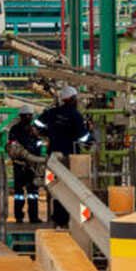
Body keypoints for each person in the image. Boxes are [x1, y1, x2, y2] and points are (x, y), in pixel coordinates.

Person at [36, 85, 90, 229]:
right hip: (70, 157)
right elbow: (83, 137)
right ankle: (68, 219)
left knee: (55, 187)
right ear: (72, 99)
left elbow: (36, 123)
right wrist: (90, 137)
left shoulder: (52, 112)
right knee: (71, 187)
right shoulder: (76, 115)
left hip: (53, 156)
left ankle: (57, 219)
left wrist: (46, 132)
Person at [5, 108, 44, 223]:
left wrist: (36, 158)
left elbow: (39, 144)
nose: (28, 118)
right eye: (25, 116)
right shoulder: (15, 130)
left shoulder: (34, 131)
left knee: (33, 192)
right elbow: (12, 147)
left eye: (29, 116)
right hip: (19, 164)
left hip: (32, 165)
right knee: (19, 193)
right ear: (21, 116)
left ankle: (33, 216)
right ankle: (19, 216)